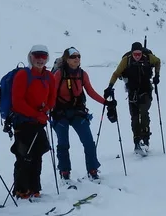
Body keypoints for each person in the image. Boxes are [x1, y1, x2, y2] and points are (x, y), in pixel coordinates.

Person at [48, 47, 108, 182]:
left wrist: (106, 103)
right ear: (66, 59)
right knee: (63, 143)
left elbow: (90, 92)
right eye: (73, 57)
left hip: (77, 112)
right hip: (60, 113)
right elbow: (51, 94)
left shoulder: (82, 74)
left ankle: (92, 169)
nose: (77, 59)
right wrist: (47, 110)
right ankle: (65, 172)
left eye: (78, 56)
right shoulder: (58, 74)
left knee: (88, 142)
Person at [9, 44, 54, 199]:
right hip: (22, 122)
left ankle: (34, 188)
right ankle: (21, 189)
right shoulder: (23, 75)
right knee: (23, 155)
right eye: (37, 56)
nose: (40, 59)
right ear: (30, 57)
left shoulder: (49, 77)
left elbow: (52, 98)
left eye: (43, 56)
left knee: (38, 153)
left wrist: (46, 109)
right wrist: (37, 114)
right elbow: (17, 102)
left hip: (37, 121)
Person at [104, 41, 161, 155]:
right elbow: (116, 73)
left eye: (139, 54)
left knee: (143, 112)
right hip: (132, 92)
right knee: (134, 116)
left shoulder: (149, 57)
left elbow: (158, 62)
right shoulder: (126, 60)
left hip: (146, 90)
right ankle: (136, 141)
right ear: (131, 53)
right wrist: (110, 86)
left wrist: (157, 75)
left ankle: (145, 140)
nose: (137, 56)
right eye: (135, 54)